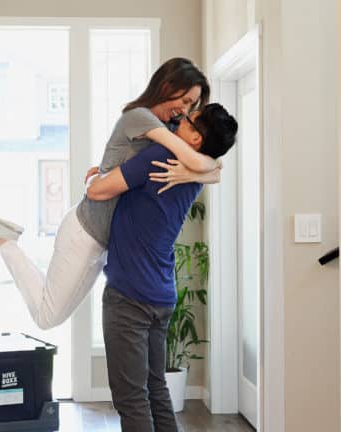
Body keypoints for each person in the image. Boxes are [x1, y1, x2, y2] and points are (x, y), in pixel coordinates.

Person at [0, 58, 221, 329]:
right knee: (46, 317)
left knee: (49, 310)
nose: (185, 110)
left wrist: (191, 173)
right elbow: (194, 156)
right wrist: (194, 167)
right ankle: (5, 240)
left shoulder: (167, 125)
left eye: (191, 106)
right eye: (185, 101)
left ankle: (4, 237)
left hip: (100, 241)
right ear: (168, 85)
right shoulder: (140, 118)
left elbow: (216, 169)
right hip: (85, 232)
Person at [87, 103, 238, 431]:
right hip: (160, 294)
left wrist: (96, 179)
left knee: (131, 397)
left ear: (195, 139)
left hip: (129, 296)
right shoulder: (196, 174)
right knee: (155, 389)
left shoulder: (160, 158)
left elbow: (98, 191)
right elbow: (215, 166)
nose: (178, 120)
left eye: (187, 120)